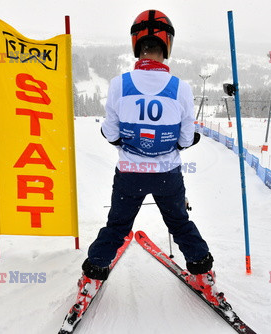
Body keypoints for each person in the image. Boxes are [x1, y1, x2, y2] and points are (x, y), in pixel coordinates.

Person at [61, 9, 220, 330]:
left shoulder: (119, 84)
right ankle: (203, 274)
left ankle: (92, 277)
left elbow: (110, 132)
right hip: (167, 174)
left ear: (136, 44)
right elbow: (186, 138)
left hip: (130, 173)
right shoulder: (181, 87)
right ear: (168, 45)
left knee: (117, 227)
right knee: (179, 222)